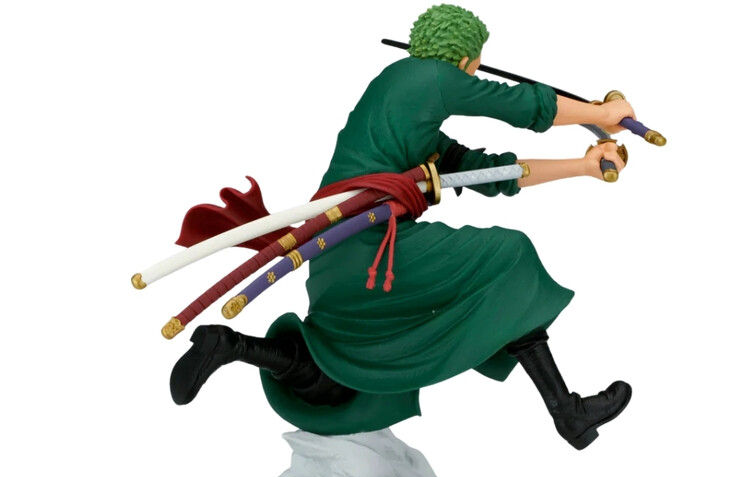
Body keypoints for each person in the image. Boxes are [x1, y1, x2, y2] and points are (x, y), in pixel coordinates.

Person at [170, 3, 633, 450]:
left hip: (339, 252)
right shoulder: (428, 76)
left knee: (340, 364)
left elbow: (492, 173)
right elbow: (520, 104)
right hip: (366, 242)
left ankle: (229, 345)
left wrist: (583, 166)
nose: (472, 74)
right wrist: (600, 114)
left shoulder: (412, 119)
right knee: (508, 258)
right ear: (465, 59)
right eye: (474, 66)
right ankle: (566, 412)